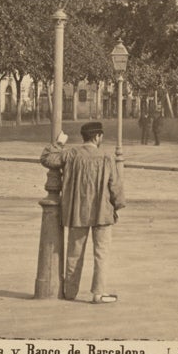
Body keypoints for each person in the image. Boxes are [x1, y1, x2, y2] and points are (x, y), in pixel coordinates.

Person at [40, 122, 125, 304]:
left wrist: (59, 143)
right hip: (102, 212)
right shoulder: (106, 157)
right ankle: (98, 293)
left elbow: (47, 158)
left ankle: (70, 292)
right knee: (101, 253)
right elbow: (116, 187)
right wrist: (116, 206)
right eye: (101, 136)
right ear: (96, 137)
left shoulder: (71, 154)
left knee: (74, 252)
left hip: (77, 211)